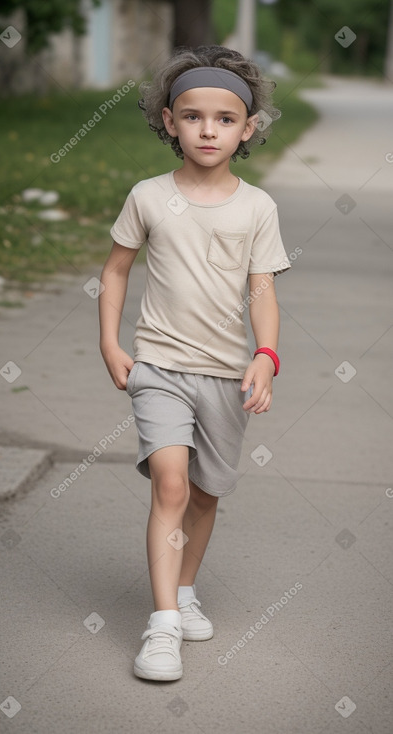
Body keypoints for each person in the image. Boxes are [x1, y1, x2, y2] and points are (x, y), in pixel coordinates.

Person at [98, 44, 291, 681]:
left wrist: (265, 355)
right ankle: (161, 627)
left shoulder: (257, 207)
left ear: (249, 127)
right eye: (192, 116)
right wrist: (110, 341)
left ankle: (185, 591)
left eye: (225, 118)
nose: (208, 129)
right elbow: (117, 271)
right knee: (172, 485)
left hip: (225, 373)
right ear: (167, 121)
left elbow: (262, 290)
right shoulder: (148, 196)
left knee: (206, 494)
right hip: (158, 365)